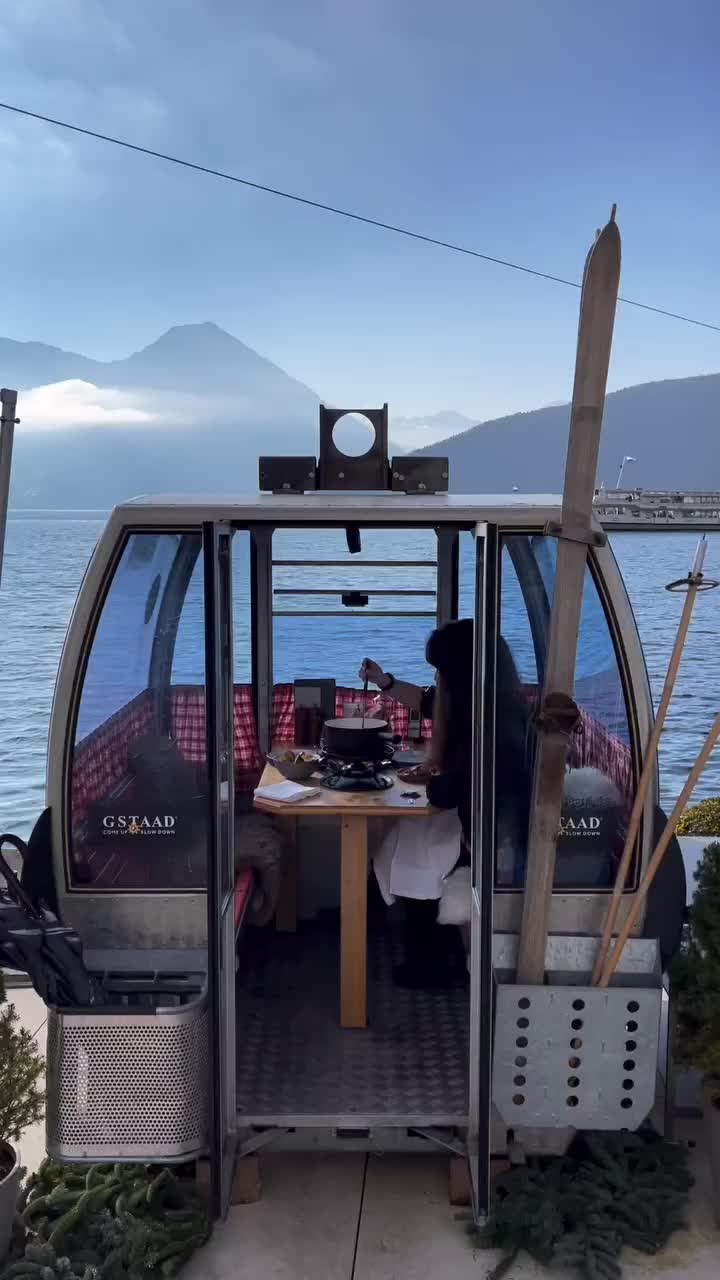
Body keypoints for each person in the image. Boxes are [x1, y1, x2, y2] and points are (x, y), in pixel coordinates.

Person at [362, 622, 532, 986]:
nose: (437, 678)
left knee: (414, 848)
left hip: (494, 842)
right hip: (482, 826)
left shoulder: (489, 727)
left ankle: (432, 963)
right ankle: (423, 948)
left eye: (440, 670)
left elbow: (449, 792)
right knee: (405, 837)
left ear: (461, 673)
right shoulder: (493, 703)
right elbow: (427, 702)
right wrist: (385, 681)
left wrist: (430, 779)